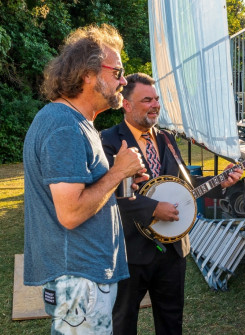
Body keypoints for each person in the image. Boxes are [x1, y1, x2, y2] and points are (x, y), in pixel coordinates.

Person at [23, 24, 148, 334]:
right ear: (88, 74)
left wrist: (121, 176)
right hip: (79, 279)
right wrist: (118, 172)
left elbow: (85, 192)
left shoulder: (75, 123)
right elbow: (70, 213)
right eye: (117, 72)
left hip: (82, 278)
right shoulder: (65, 126)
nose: (124, 81)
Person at [100, 73, 243, 335]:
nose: (155, 105)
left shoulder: (166, 137)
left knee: (171, 319)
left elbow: (182, 184)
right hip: (130, 250)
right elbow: (106, 193)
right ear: (126, 104)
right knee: (122, 320)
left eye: (156, 99)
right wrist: (152, 209)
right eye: (147, 100)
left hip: (172, 249)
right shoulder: (108, 141)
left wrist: (219, 180)